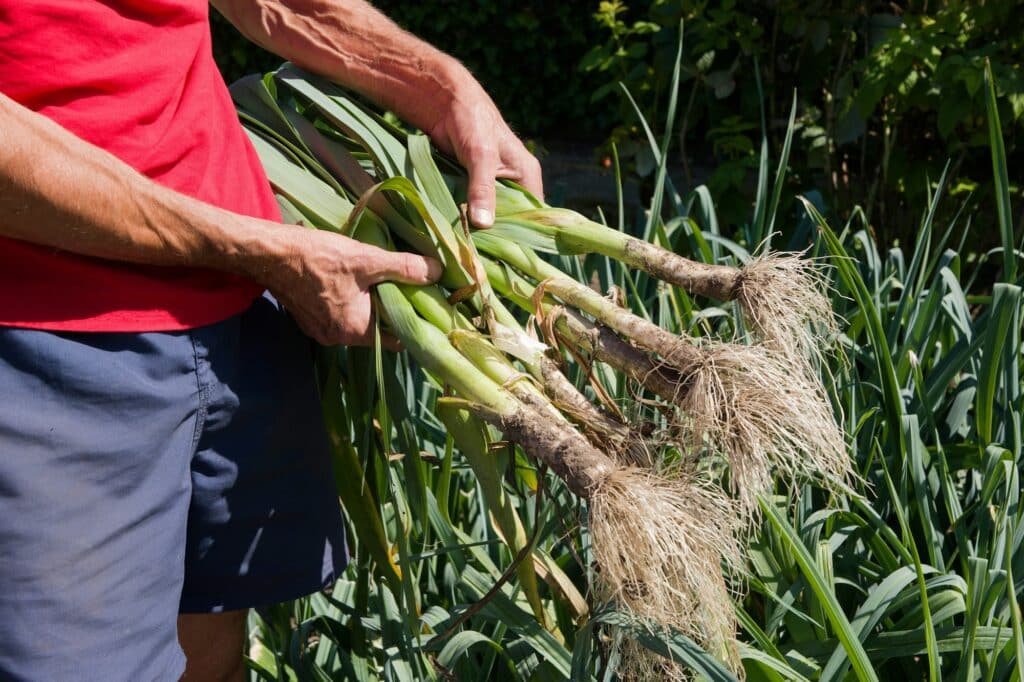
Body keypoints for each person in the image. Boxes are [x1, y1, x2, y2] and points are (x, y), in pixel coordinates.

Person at [0, 1, 543, 680]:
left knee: (215, 654)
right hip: (47, 344)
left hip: (239, 312)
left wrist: (439, 87)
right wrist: (258, 249)